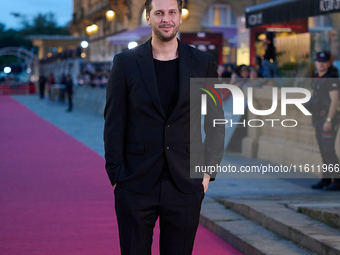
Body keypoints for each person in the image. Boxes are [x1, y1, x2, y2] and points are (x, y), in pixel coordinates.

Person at [103, 0, 225, 254]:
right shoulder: (125, 63)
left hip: (185, 183)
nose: (166, 19)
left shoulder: (202, 63)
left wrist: (207, 175)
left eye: (172, 12)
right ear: (148, 18)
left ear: (181, 17)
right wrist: (116, 176)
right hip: (135, 183)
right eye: (159, 13)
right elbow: (114, 121)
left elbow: (215, 119)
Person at [310, 51, 340, 191]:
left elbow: (334, 100)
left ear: (329, 63)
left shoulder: (332, 78)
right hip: (318, 118)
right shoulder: (317, 78)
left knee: (328, 150)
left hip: (328, 119)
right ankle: (326, 179)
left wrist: (329, 119)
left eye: (324, 61)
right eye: (319, 61)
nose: (321, 64)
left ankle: (337, 180)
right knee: (323, 150)